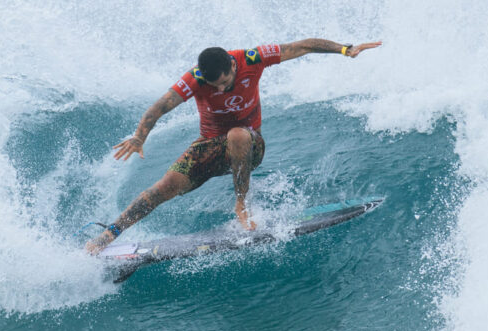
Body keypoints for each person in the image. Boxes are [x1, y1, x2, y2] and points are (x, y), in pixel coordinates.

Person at [84, 38, 382, 254]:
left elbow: (301, 46)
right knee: (163, 187)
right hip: (210, 147)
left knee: (238, 134)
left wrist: (345, 49)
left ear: (230, 64)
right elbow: (161, 106)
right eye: (213, 86)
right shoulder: (196, 78)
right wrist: (139, 136)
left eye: (223, 82)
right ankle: (108, 235)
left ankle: (241, 203)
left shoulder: (251, 59)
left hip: (250, 145)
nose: (219, 89)